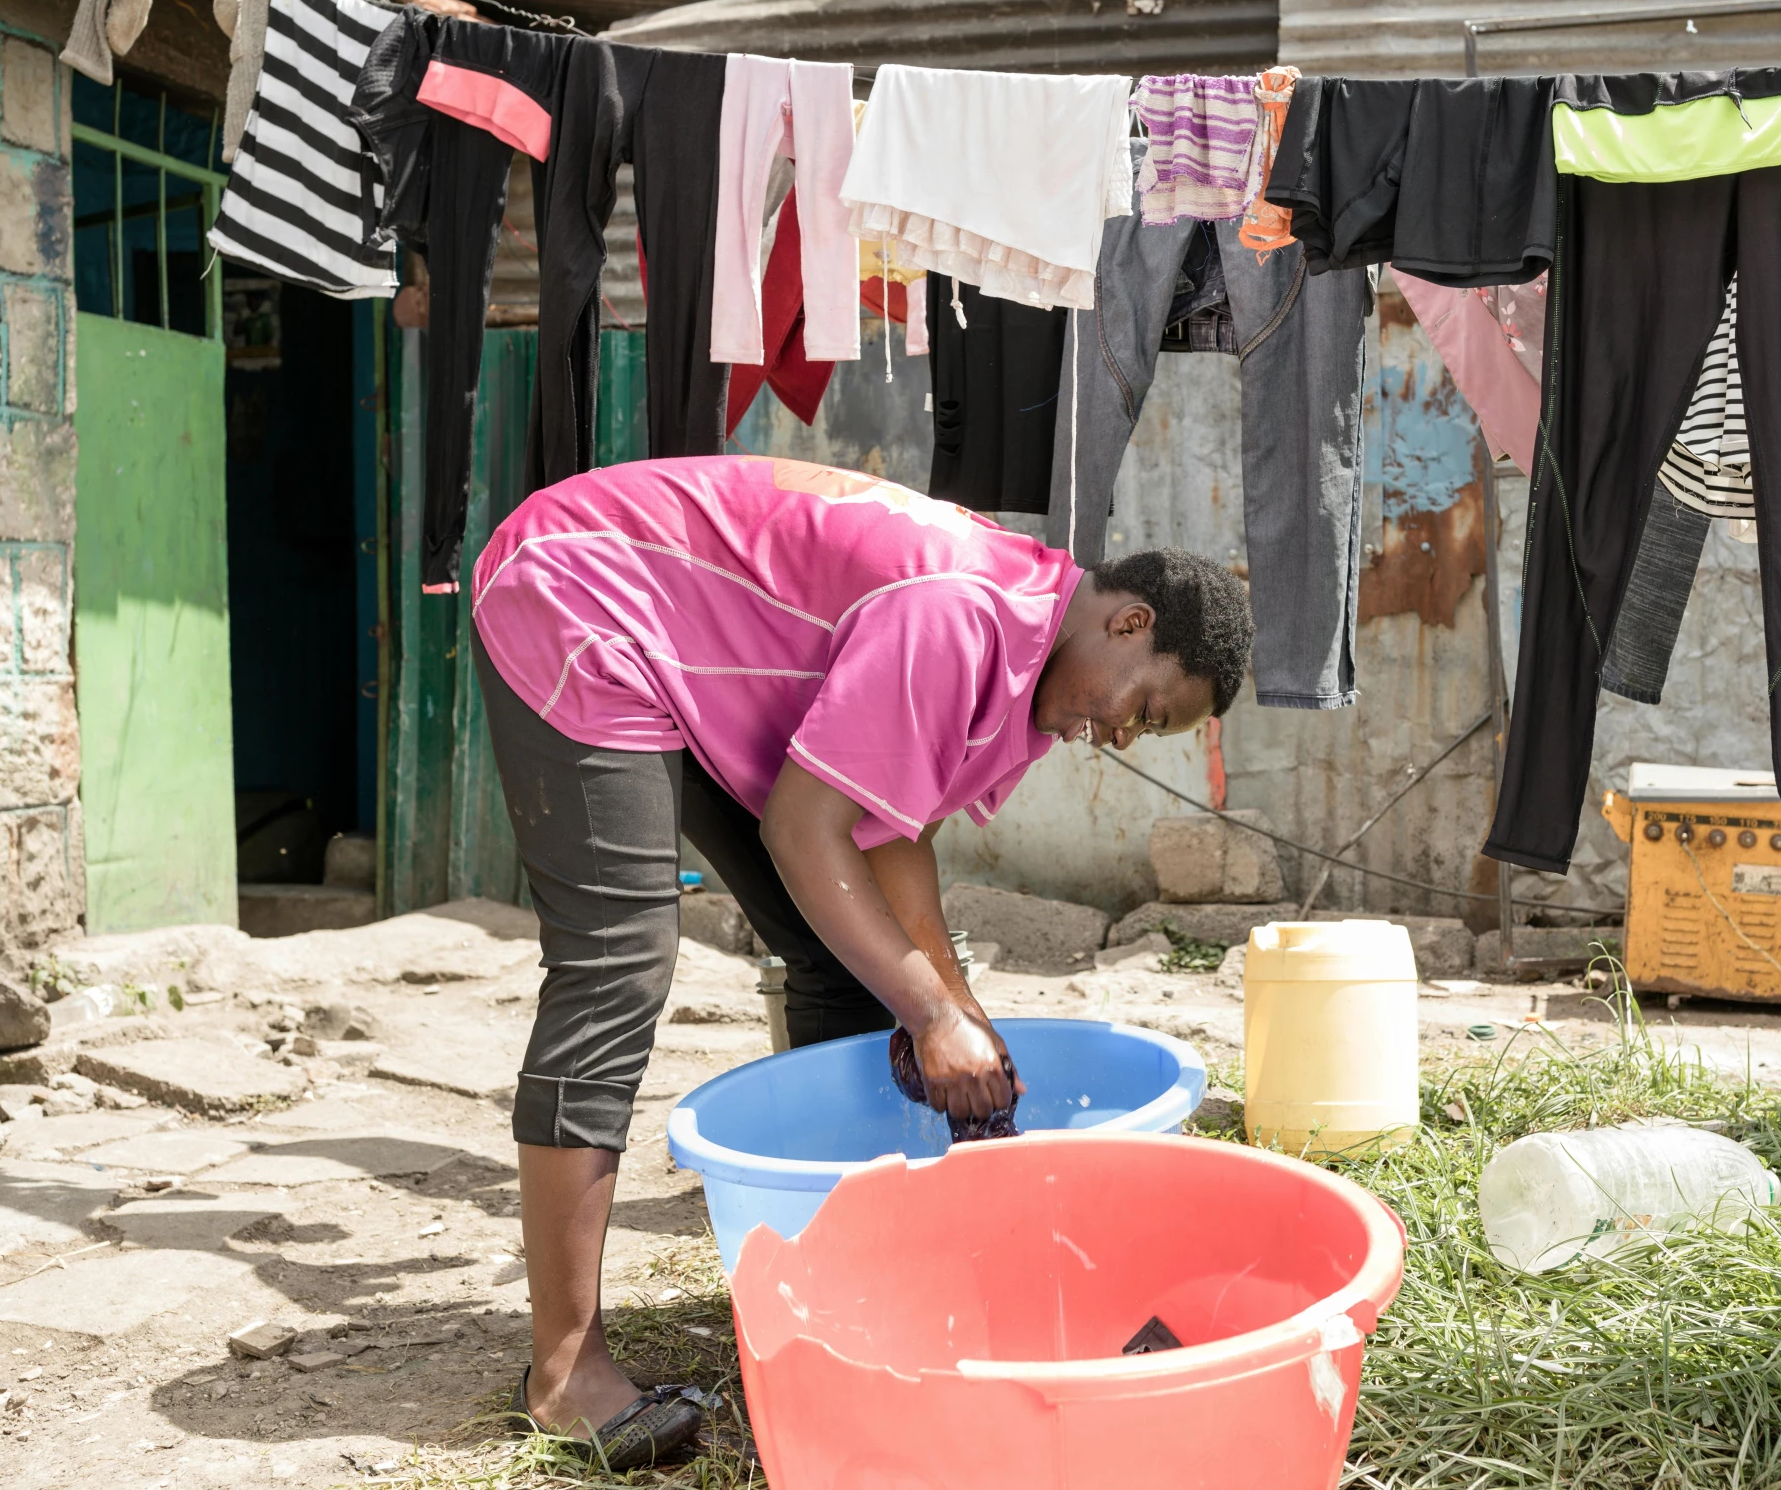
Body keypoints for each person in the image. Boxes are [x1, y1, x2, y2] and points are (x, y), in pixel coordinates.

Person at [467, 452, 1254, 1465]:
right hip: (583, 589)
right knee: (618, 960)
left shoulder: (1018, 640)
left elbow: (887, 828)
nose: (1117, 735)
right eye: (1144, 709)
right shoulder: (965, 612)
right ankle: (564, 1371)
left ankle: (841, 1291)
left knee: (850, 965)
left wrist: (953, 1001)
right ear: (1130, 623)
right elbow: (808, 831)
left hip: (680, 643)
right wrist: (931, 1015)